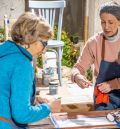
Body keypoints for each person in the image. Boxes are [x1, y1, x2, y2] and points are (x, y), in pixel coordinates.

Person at [0, 12, 60, 129]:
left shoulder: (5, 52)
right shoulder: (22, 64)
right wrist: (49, 108)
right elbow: (22, 115)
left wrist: (31, 98)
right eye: (44, 43)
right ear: (30, 38)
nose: (44, 50)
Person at [71, 1, 120, 110]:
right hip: (104, 98)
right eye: (103, 22)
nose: (106, 27)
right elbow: (78, 68)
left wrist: (112, 84)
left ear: (119, 22)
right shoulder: (94, 42)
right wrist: (77, 77)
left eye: (110, 22)